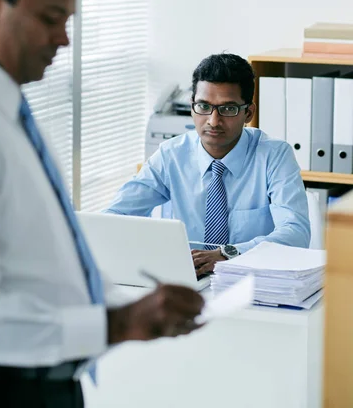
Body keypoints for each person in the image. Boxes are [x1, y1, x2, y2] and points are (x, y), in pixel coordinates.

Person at [0, 0, 204, 408]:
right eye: (50, 18)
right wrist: (118, 323)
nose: (64, 39)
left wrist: (129, 310)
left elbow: (38, 263)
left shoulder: (9, 111)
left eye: (67, 19)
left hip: (49, 381)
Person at [106, 53, 311, 275]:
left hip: (252, 279)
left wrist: (228, 253)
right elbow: (115, 216)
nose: (213, 121)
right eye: (203, 106)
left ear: (248, 113)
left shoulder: (274, 155)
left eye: (228, 109)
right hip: (190, 279)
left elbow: (296, 233)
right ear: (192, 106)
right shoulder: (171, 154)